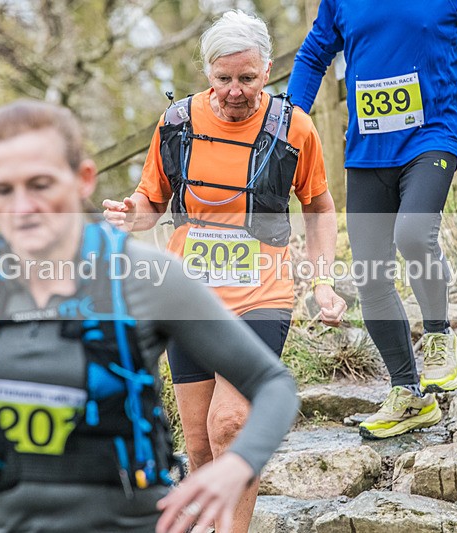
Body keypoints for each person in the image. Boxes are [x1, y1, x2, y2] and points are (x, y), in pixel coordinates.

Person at [0, 100, 299, 533]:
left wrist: (237, 465)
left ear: (82, 179)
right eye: (4, 189)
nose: (24, 206)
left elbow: (273, 385)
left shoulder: (145, 276)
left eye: (41, 184)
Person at [103, 10, 345, 532]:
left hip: (262, 293)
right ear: (206, 72)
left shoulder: (293, 128)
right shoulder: (176, 125)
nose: (235, 92)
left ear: (268, 69)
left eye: (248, 79)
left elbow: (320, 207)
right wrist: (129, 215)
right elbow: (152, 200)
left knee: (230, 424)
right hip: (187, 298)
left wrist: (323, 281)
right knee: (197, 443)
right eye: (223, 79)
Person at [287, 0, 457, 439]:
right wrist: (290, 121)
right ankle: (408, 394)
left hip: (431, 138)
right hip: (366, 152)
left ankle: (438, 334)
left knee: (413, 234)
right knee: (372, 274)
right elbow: (313, 55)